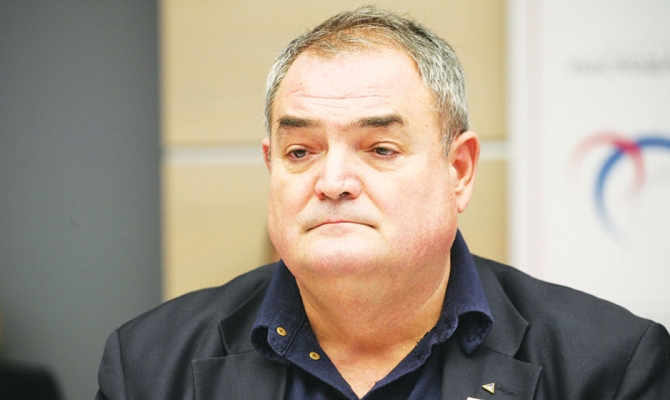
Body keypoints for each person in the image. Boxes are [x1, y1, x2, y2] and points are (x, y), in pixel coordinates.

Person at [95, 6, 670, 399]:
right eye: (300, 152)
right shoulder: (148, 363)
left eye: (380, 149)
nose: (333, 181)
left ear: (459, 170)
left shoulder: (609, 364)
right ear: (271, 166)